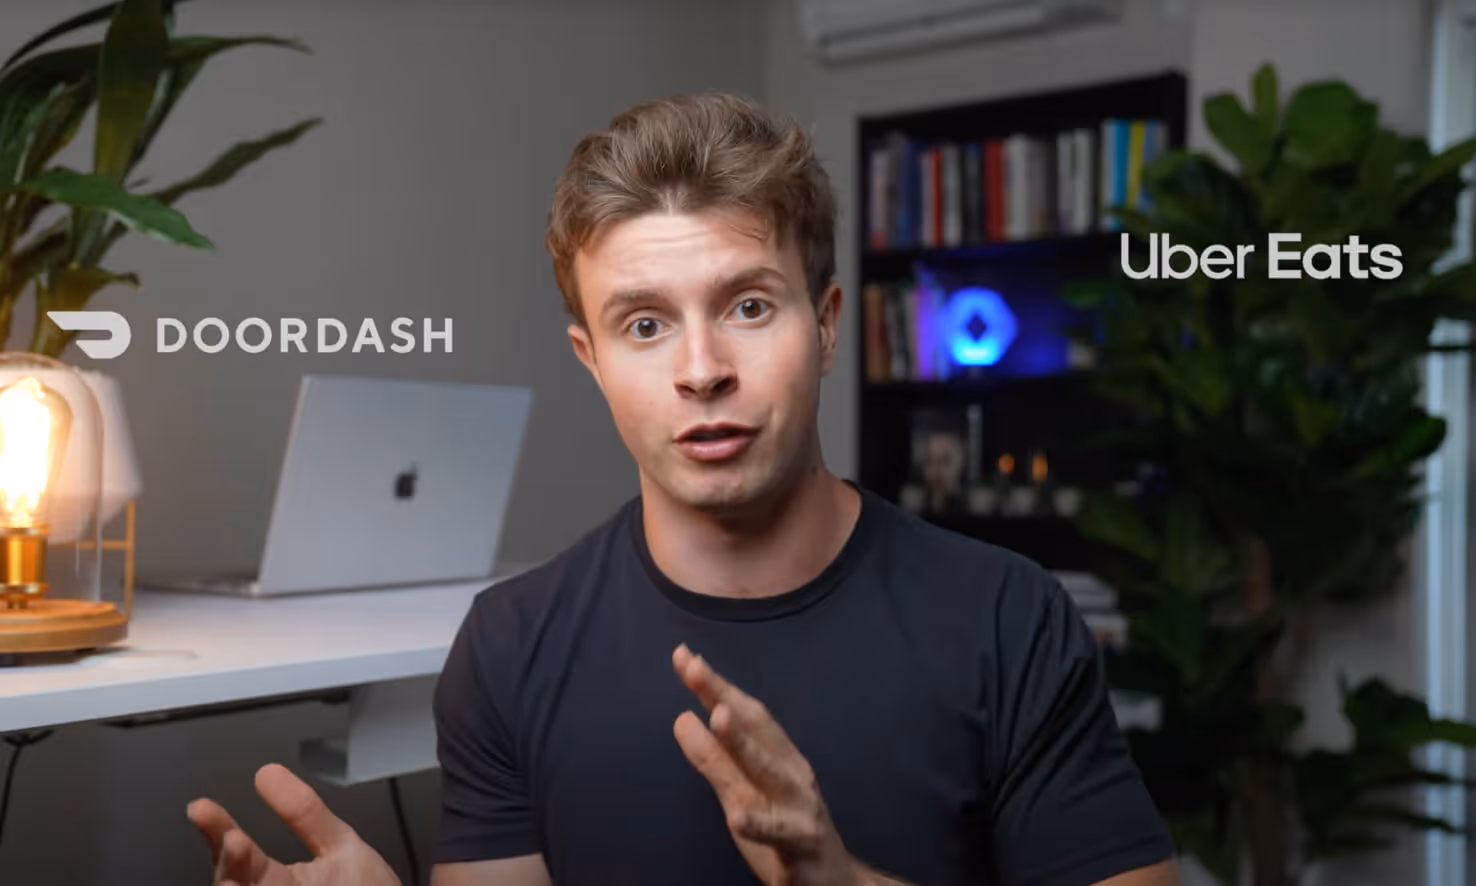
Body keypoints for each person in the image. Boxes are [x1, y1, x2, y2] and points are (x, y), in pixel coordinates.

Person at [186, 92, 1181, 886]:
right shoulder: (508, 645)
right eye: (646, 324)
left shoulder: (1009, 620)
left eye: (749, 305)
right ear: (590, 356)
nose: (701, 368)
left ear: (827, 323)